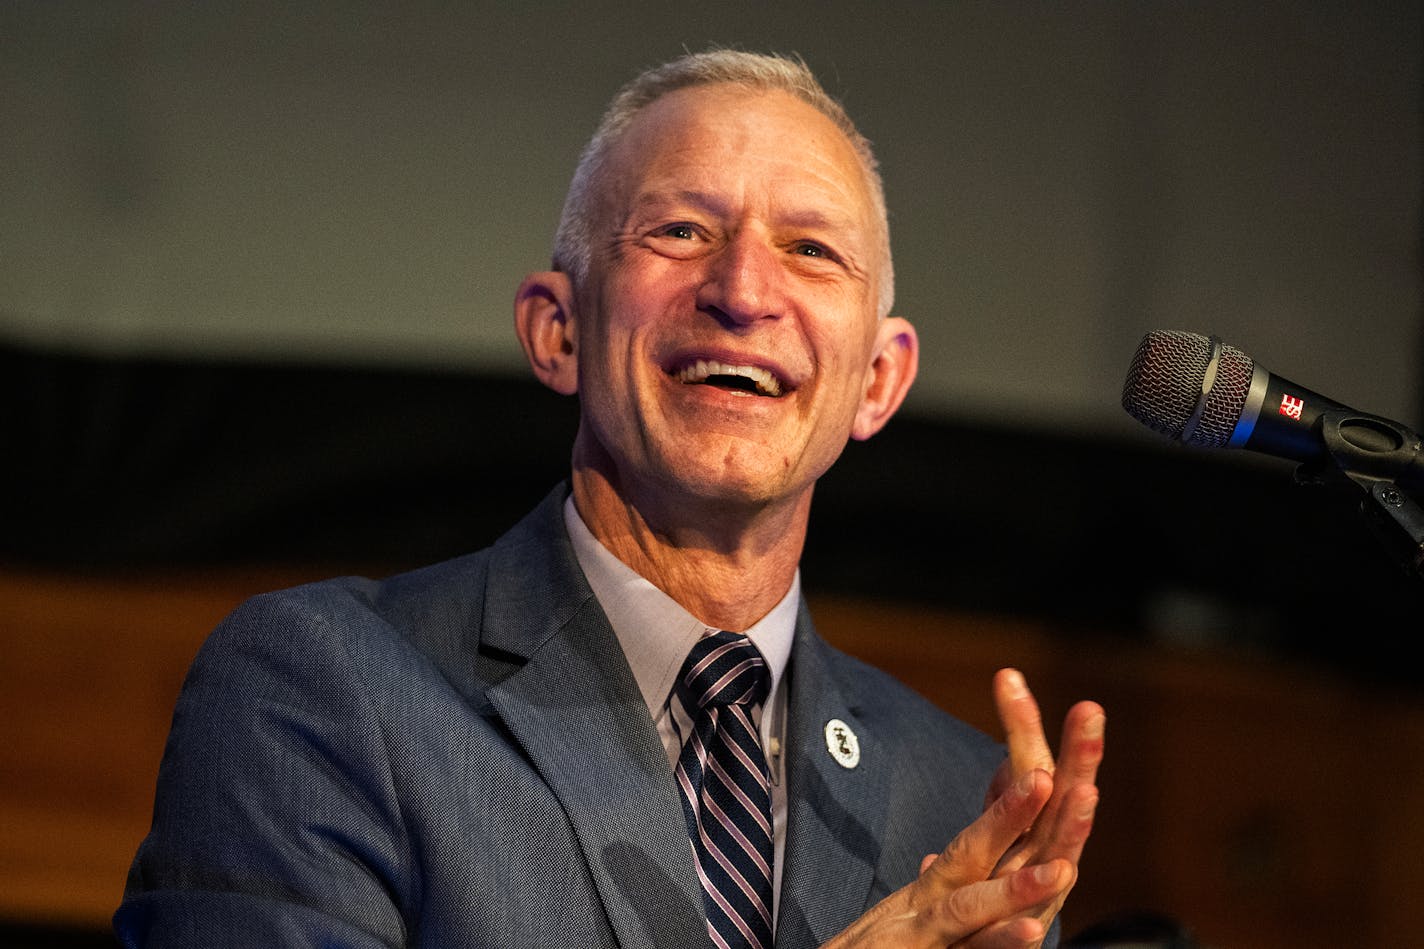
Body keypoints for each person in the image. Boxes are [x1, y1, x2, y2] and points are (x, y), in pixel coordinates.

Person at [115, 48, 1105, 948]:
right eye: (680, 229)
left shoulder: (956, 803)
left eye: (810, 249)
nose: (744, 290)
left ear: (879, 382)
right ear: (557, 331)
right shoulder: (326, 688)